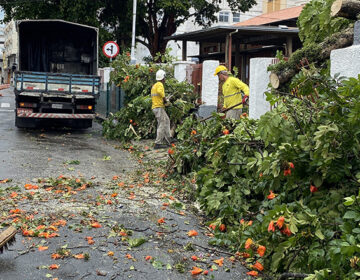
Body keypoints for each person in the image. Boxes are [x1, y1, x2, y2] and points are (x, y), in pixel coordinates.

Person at [151, 69, 172, 149]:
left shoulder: (154, 85)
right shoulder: (160, 84)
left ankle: (168, 139)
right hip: (158, 107)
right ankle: (158, 143)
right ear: (163, 77)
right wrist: (165, 99)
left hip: (156, 107)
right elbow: (160, 92)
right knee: (162, 124)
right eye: (164, 77)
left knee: (167, 120)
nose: (165, 79)